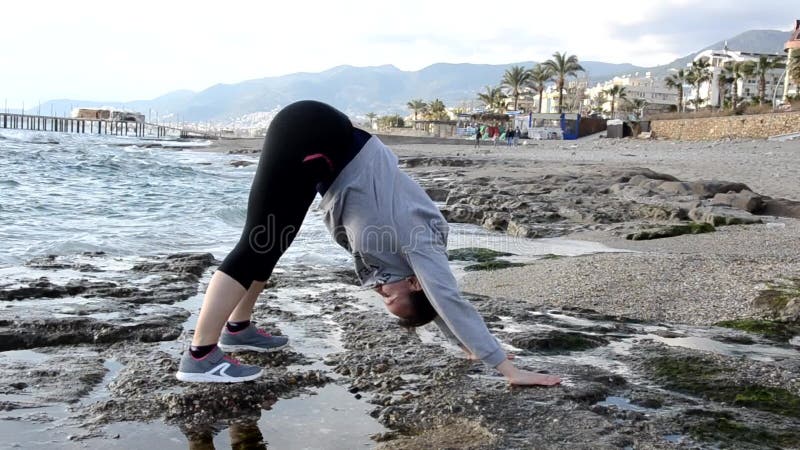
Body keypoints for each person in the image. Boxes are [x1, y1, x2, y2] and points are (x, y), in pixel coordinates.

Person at [175, 100, 561, 387]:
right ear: (414, 282)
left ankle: (238, 328)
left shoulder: (396, 261)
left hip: (323, 153)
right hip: (312, 130)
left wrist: (467, 346)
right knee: (255, 244)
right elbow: (447, 298)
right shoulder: (420, 244)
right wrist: (506, 367)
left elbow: (434, 304)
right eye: (389, 297)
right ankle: (200, 355)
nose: (379, 291)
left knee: (270, 242)